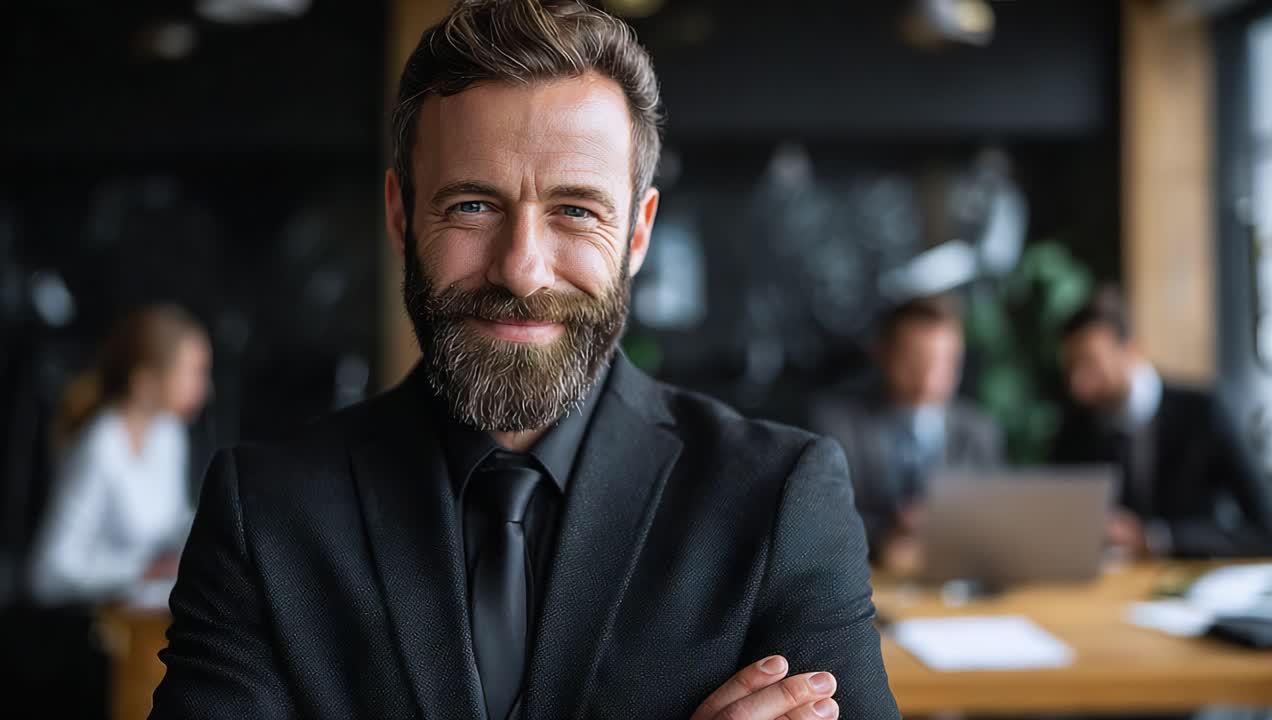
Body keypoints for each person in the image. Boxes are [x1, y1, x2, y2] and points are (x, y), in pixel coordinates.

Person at [150, 2, 899, 719]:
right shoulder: (264, 514)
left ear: (638, 234)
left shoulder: (779, 500)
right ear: (400, 217)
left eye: (575, 210)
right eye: (473, 206)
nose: (522, 270)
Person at [1054, 287, 1272, 558]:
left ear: (1132, 350)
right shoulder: (1077, 427)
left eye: (1090, 364)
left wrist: (1158, 539)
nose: (1078, 384)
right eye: (1071, 369)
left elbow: (1270, 529)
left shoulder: (1204, 413)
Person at [28, 304, 211, 605]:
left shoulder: (169, 433)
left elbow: (172, 524)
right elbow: (48, 573)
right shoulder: (100, 446)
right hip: (104, 631)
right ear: (147, 380)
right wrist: (141, 570)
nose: (205, 389)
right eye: (194, 373)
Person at [813, 295, 1003, 574]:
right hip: (867, 578)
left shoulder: (979, 430)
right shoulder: (838, 424)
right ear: (883, 353)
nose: (928, 377)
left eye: (944, 363)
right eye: (914, 360)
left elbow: (998, 517)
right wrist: (884, 538)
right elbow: (821, 519)